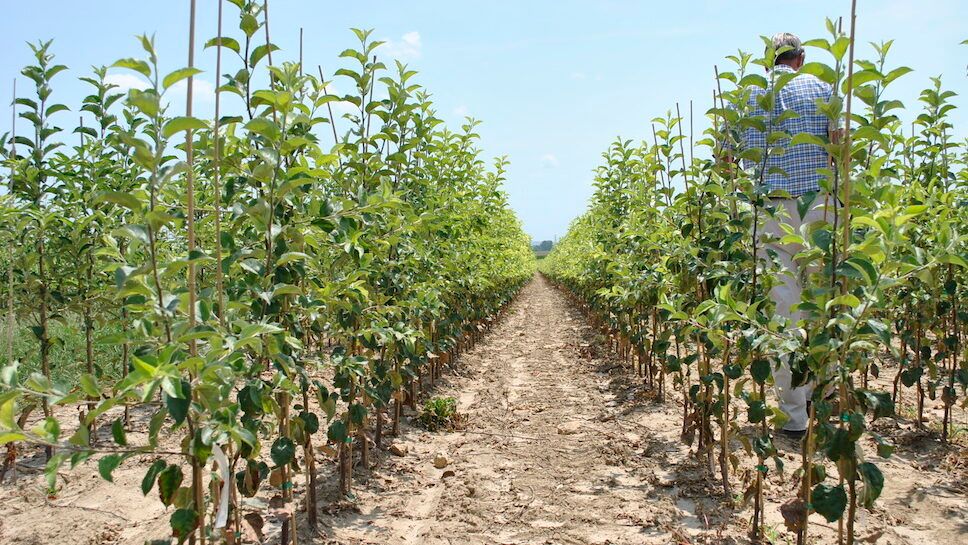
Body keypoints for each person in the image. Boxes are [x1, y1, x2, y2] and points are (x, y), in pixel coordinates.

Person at [739, 33, 835, 437]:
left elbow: (725, 159)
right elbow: (842, 144)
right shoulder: (823, 87)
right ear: (801, 58)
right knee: (825, 304)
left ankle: (794, 418)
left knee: (784, 312)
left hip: (772, 210)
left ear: (767, 62)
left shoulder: (747, 97)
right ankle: (825, 400)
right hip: (818, 207)